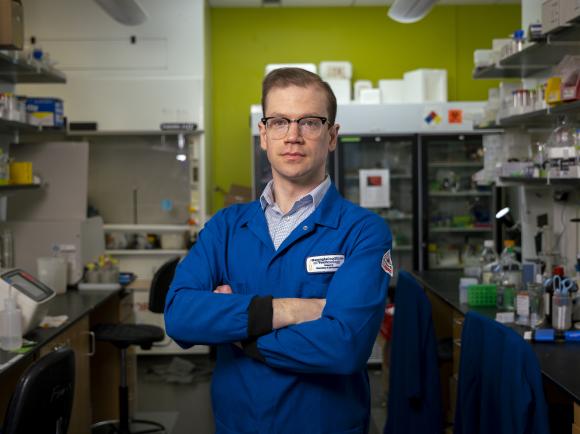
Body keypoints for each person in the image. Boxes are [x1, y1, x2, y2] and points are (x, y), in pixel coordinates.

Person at [165, 67, 393, 434]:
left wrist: (238, 330)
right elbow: (179, 316)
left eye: (310, 122)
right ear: (263, 135)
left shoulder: (363, 232)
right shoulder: (225, 227)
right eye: (279, 122)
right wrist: (288, 310)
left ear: (332, 136)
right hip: (239, 424)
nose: (293, 136)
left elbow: (344, 347)